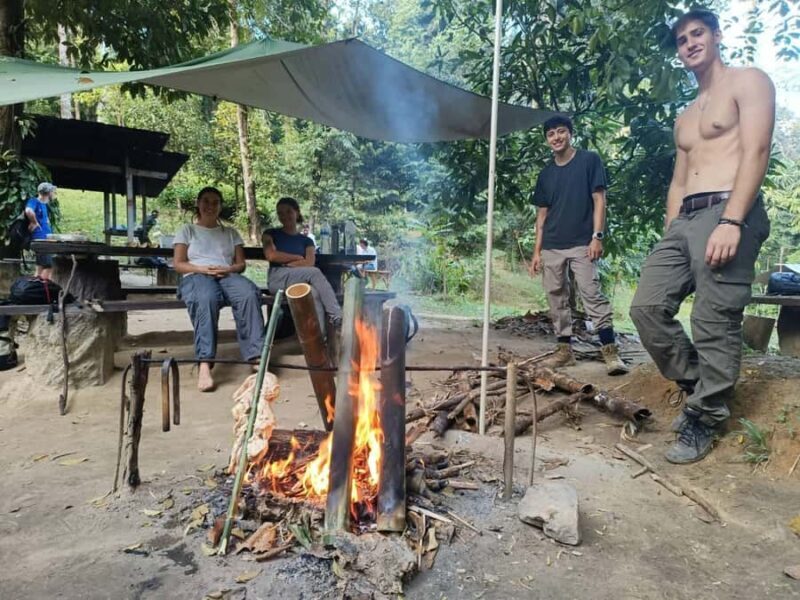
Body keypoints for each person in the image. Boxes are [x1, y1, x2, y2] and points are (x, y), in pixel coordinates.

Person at [630, 8, 774, 464]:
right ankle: (699, 387)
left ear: (715, 36)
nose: (690, 43)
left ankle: (706, 417)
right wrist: (672, 230)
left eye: (697, 34)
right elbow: (678, 179)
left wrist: (732, 220)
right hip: (686, 218)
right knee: (647, 308)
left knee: (713, 321)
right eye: (681, 39)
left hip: (729, 207)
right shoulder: (686, 116)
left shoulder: (748, 81)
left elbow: (757, 149)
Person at [529, 115, 628, 376]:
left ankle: (610, 351)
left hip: (582, 243)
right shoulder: (546, 174)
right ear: (546, 140)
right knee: (555, 296)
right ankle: (564, 351)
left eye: (561, 131)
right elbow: (541, 217)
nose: (556, 137)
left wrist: (597, 236)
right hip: (552, 244)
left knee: (591, 293)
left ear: (570, 134)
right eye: (551, 134)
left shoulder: (589, 161)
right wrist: (536, 251)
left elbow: (600, 200)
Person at [173, 187, 265, 392]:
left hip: (227, 275)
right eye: (206, 201)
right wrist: (201, 268)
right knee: (205, 298)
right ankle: (204, 364)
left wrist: (228, 268)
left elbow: (241, 265)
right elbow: (178, 264)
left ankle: (257, 356)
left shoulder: (230, 232)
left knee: (249, 293)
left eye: (215, 202)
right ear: (198, 203)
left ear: (220, 206)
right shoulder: (187, 230)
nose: (210, 206)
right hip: (196, 275)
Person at [263, 197, 342, 330]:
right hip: (278, 279)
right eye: (280, 213)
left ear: (297, 213)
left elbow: (309, 262)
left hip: (298, 279)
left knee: (313, 293)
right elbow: (271, 255)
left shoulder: (306, 241)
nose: (284, 216)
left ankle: (318, 340)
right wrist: (297, 257)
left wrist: (287, 262)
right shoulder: (270, 233)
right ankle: (336, 315)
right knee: (315, 272)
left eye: (288, 211)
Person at [25, 182, 56, 279]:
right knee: (49, 267)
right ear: (48, 192)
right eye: (52, 191)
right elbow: (28, 210)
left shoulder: (44, 204)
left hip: (45, 240)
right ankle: (43, 289)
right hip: (41, 241)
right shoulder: (35, 201)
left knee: (40, 267)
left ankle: (35, 289)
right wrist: (34, 222)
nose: (53, 193)